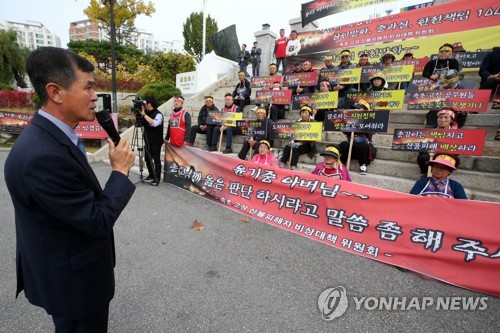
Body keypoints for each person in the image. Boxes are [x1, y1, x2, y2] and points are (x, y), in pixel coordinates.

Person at [4, 46, 136, 332]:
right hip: (74, 284)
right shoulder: (43, 155)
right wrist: (120, 171)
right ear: (56, 92)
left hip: (66, 273)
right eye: (88, 88)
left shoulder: (48, 137)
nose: (94, 97)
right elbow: (96, 220)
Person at [417, 107, 462, 177]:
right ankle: (425, 173)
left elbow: (457, 151)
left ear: (451, 120)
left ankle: (441, 176)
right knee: (423, 157)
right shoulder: (429, 129)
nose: (443, 120)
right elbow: (421, 145)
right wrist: (428, 151)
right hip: (430, 153)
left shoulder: (456, 132)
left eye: (446, 117)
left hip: (446, 154)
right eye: (440, 117)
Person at [338, 100, 375, 175]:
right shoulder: (350, 119)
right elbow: (345, 132)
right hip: (351, 145)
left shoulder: (370, 120)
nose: (356, 110)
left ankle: (362, 165)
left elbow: (370, 134)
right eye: (355, 108)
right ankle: (341, 164)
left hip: (363, 147)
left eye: (359, 108)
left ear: (365, 110)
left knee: (361, 145)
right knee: (343, 145)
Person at [279, 105, 314, 170]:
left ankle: (293, 165)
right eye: (302, 113)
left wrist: (301, 143)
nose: (303, 115)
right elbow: (293, 133)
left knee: (295, 148)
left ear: (309, 114)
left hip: (307, 144)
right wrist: (292, 141)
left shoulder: (313, 123)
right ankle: (283, 162)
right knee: (288, 146)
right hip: (297, 141)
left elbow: (314, 137)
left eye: (306, 113)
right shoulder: (298, 123)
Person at [139, 96, 164, 185]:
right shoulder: (146, 113)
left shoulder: (158, 114)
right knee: (147, 158)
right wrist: (135, 115)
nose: (144, 105)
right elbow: (137, 124)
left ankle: (157, 178)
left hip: (156, 141)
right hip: (148, 141)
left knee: (156, 160)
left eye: (145, 104)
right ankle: (151, 175)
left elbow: (155, 124)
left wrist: (144, 114)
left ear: (149, 104)